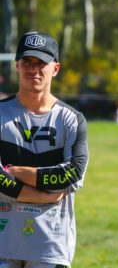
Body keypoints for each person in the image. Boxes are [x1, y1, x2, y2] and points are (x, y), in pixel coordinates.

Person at [0, 32, 89, 268]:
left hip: (50, 247)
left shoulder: (71, 119)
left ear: (56, 68)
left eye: (41, 63)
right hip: (3, 244)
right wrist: (39, 195)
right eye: (27, 62)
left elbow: (73, 173)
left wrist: (17, 172)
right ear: (17, 65)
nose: (34, 70)